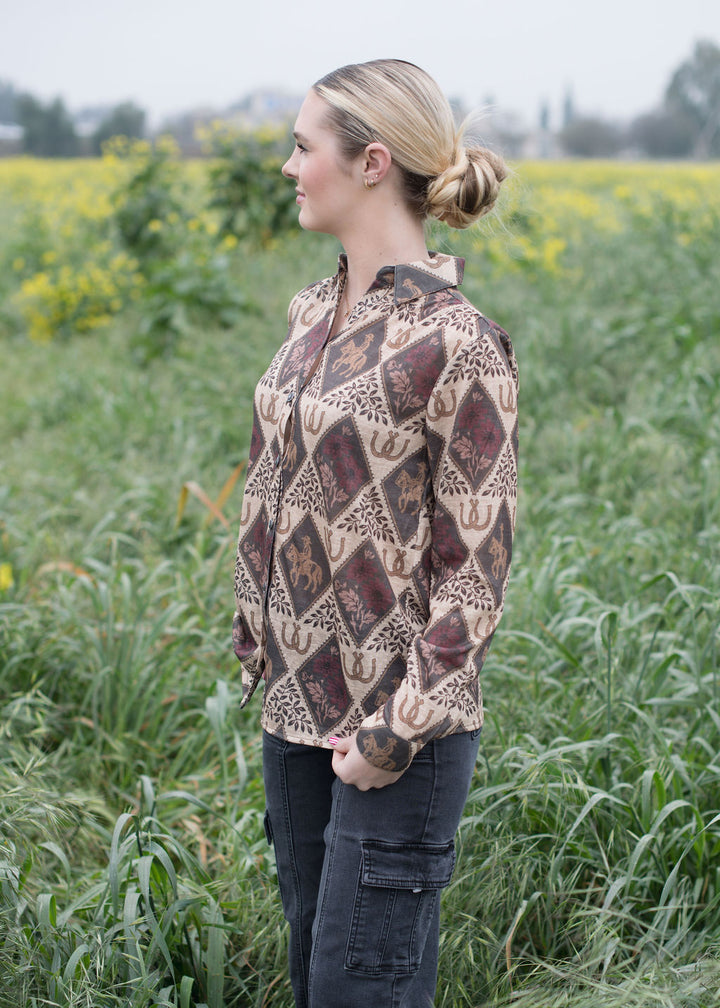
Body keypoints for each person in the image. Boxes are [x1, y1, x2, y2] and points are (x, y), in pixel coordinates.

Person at [232, 59, 518, 1008]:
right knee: (317, 978)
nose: (288, 166)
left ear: (371, 162)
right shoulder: (313, 313)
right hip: (295, 707)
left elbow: (476, 572)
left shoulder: (459, 342)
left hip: (397, 729)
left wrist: (396, 732)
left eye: (303, 147)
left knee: (359, 994)